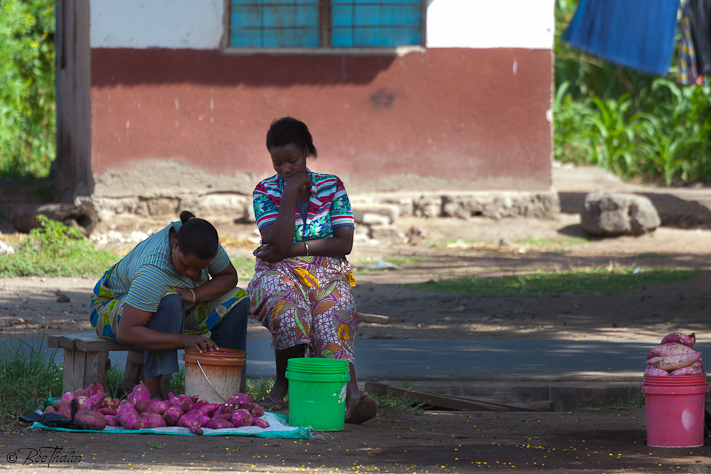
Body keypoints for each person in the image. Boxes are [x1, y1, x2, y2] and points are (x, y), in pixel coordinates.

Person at [247, 116, 377, 423]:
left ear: (306, 151)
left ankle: (347, 395)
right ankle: (283, 385)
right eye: (277, 163)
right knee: (287, 307)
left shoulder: (332, 186)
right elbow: (276, 241)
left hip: (328, 272)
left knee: (333, 312)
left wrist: (291, 250)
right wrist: (289, 193)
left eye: (292, 161)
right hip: (276, 272)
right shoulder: (264, 191)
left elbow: (344, 242)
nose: (285, 169)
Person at [90, 211, 249, 399]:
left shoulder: (201, 242)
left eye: (199, 269)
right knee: (170, 299)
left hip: (176, 306)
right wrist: (183, 340)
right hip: (111, 311)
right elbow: (128, 332)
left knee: (237, 299)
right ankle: (153, 390)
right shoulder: (153, 270)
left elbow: (229, 276)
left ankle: (224, 386)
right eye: (186, 265)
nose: (191, 274)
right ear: (175, 245)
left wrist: (195, 294)